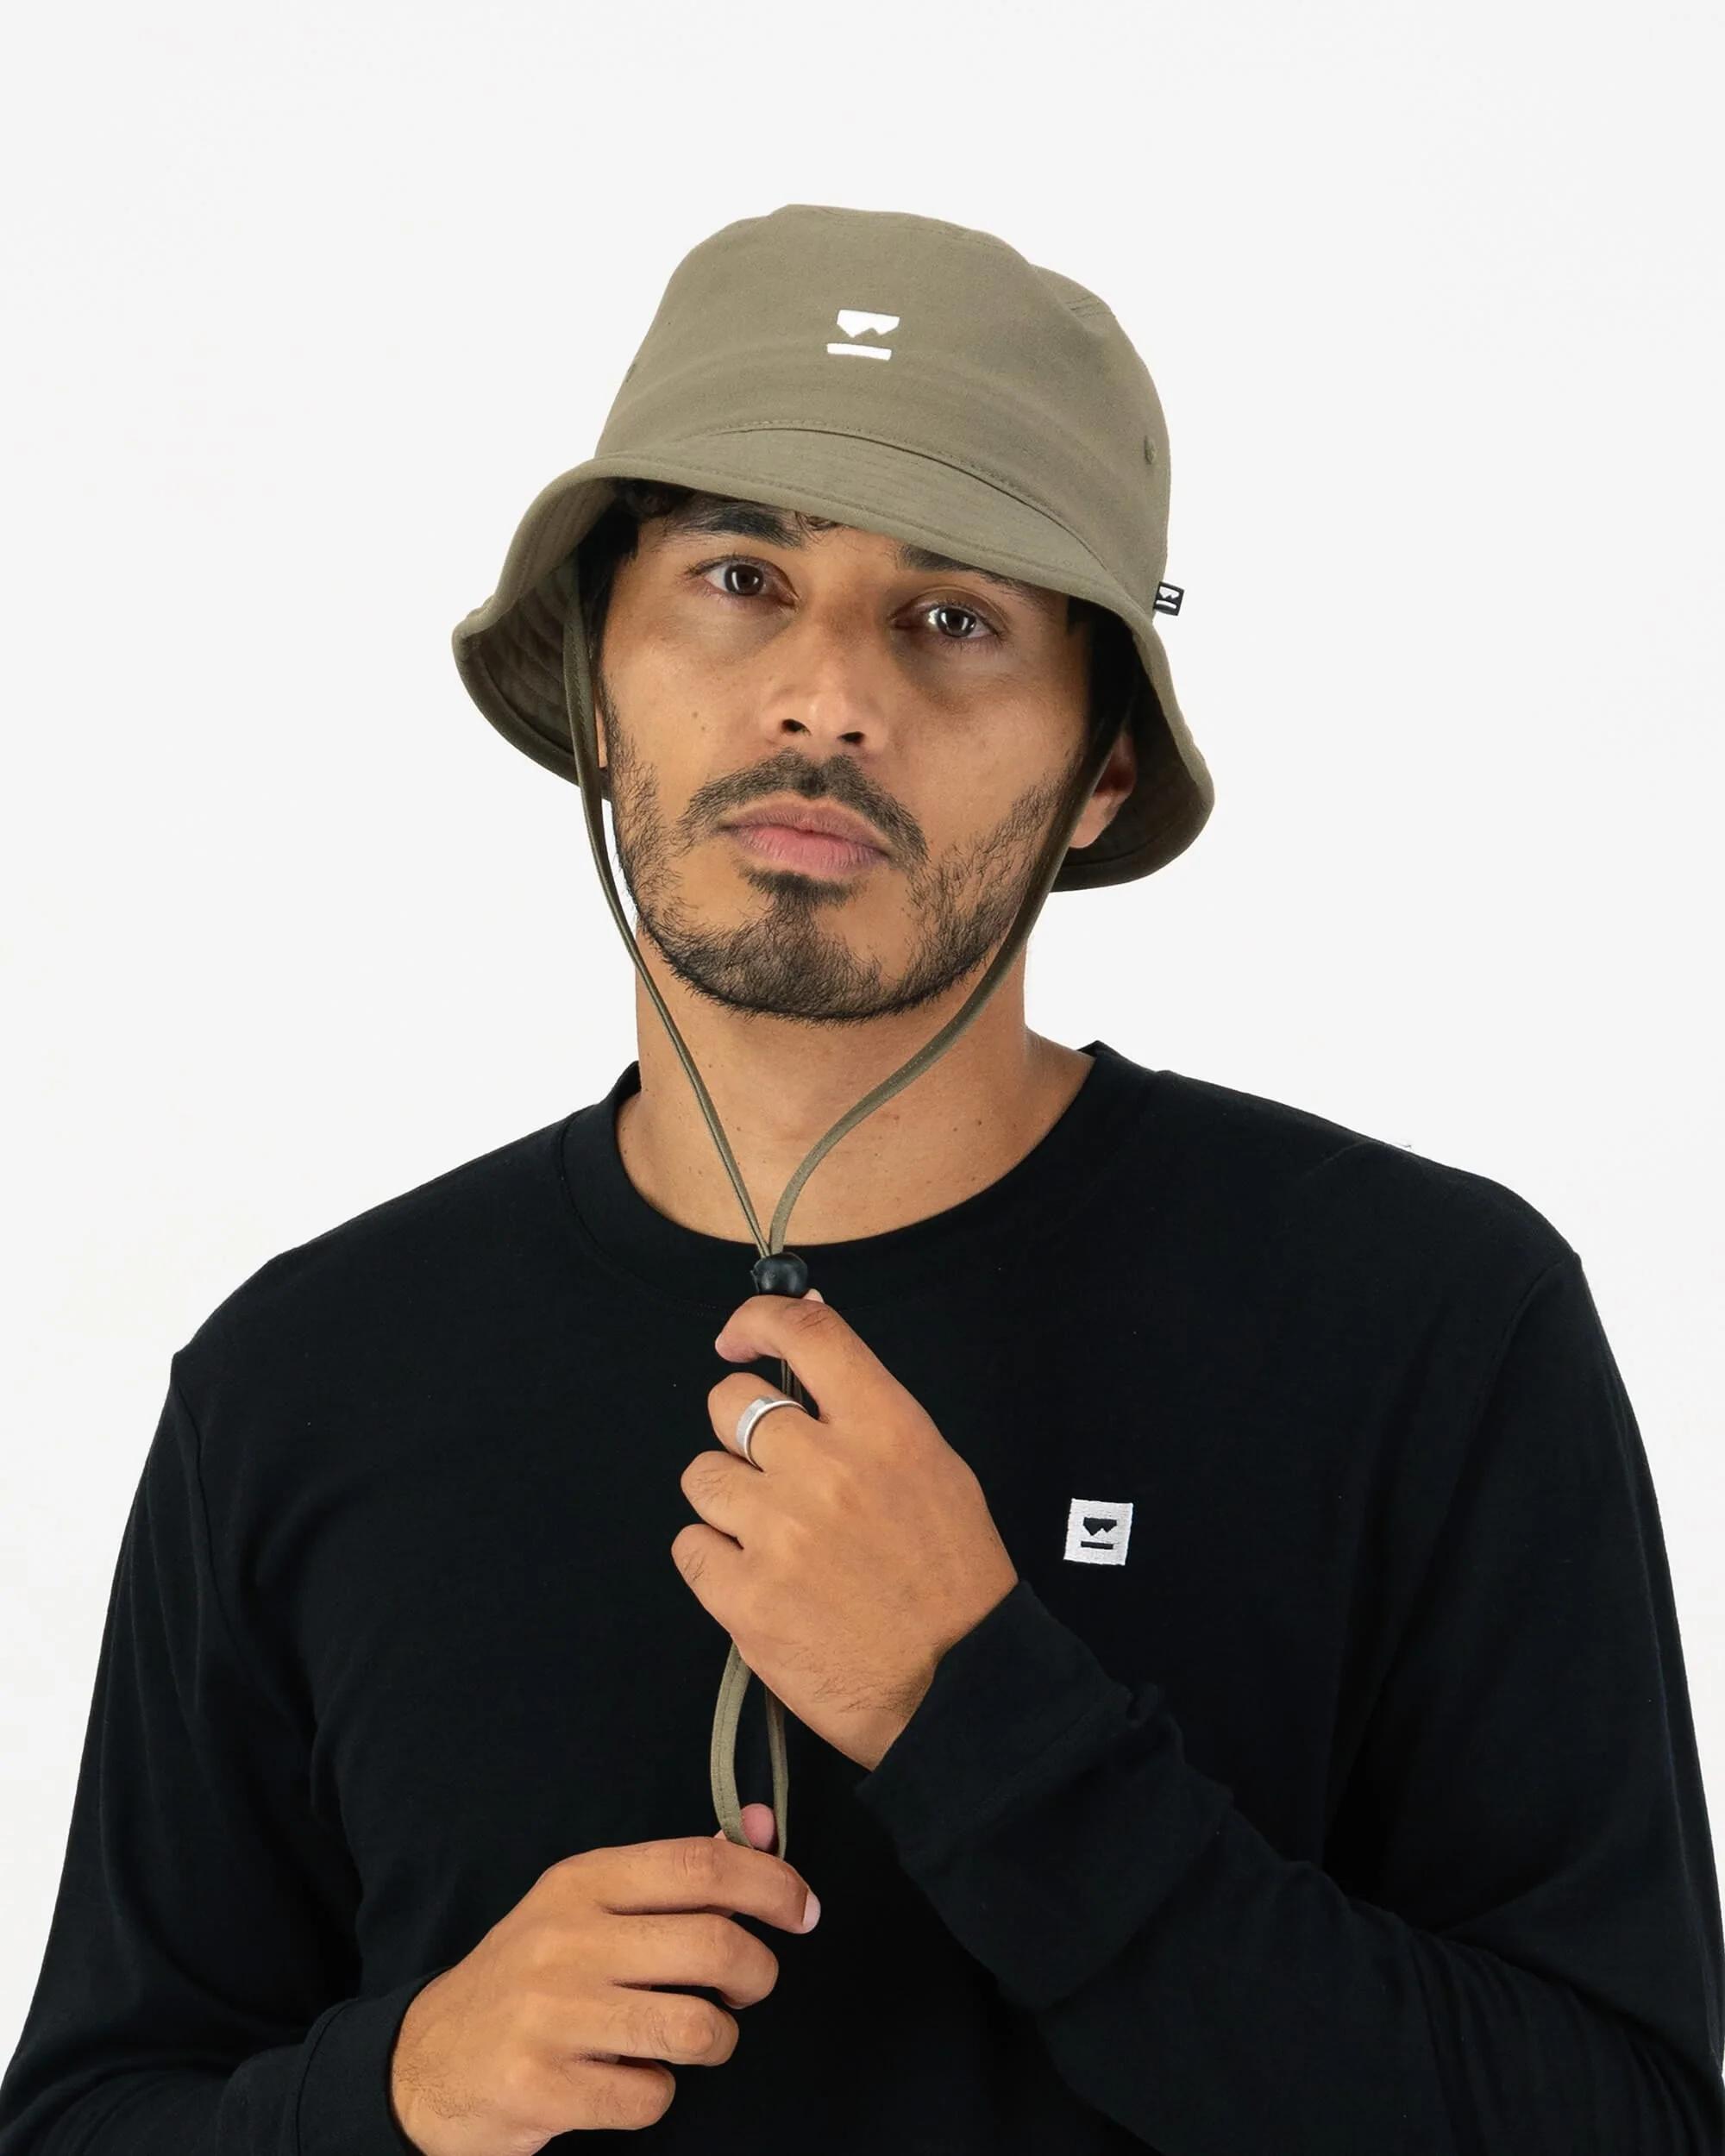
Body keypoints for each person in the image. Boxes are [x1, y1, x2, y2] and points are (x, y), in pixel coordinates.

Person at [0, 204, 1720, 2156]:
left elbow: (1632, 2121)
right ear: (594, 679)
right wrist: (388, 2092)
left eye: (953, 617)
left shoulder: (1420, 1320)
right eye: (741, 577)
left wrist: (973, 1708)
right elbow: (89, 2118)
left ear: (1101, 770)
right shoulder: (308, 1374)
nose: (826, 697)